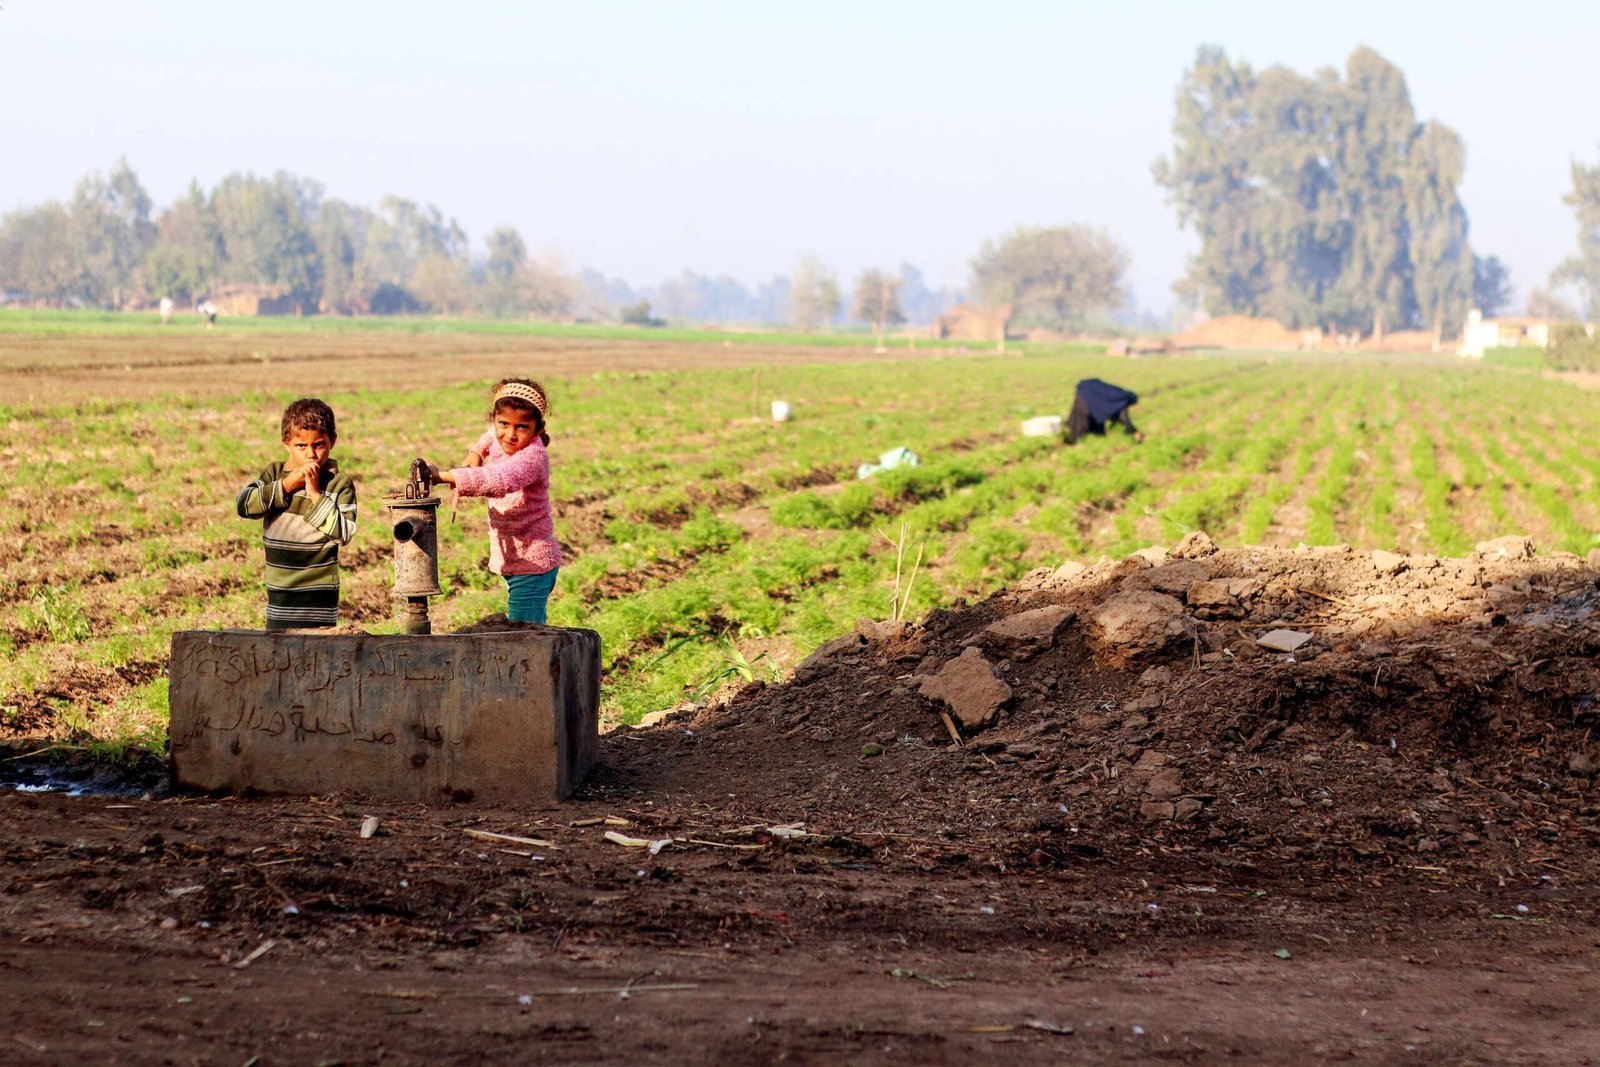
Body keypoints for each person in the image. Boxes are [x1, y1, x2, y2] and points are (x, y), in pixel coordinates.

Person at [427, 378, 561, 624]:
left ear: (537, 430)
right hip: (515, 559)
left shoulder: (532, 456)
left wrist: (443, 476)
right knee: (534, 629)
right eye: (503, 424)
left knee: (524, 635)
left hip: (532, 563)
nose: (510, 434)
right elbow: (490, 435)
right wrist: (476, 452)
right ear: (494, 419)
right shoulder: (501, 436)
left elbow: (499, 480)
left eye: (522, 427)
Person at [235, 398, 358, 631]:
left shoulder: (338, 484)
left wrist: (315, 494)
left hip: (319, 604)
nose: (311, 454)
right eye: (301, 446)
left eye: (319, 445)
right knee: (280, 650)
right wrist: (288, 484)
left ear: (332, 441)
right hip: (279, 601)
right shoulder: (275, 474)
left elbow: (344, 533)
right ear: (287, 444)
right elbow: (244, 505)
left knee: (317, 652)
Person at [1066, 378, 1144, 445]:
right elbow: (1124, 418)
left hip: (1086, 389)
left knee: (1082, 416)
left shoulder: (1120, 395)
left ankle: (1077, 434)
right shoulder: (1123, 401)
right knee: (1082, 419)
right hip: (1086, 392)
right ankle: (1073, 441)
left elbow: (1116, 415)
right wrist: (1134, 431)